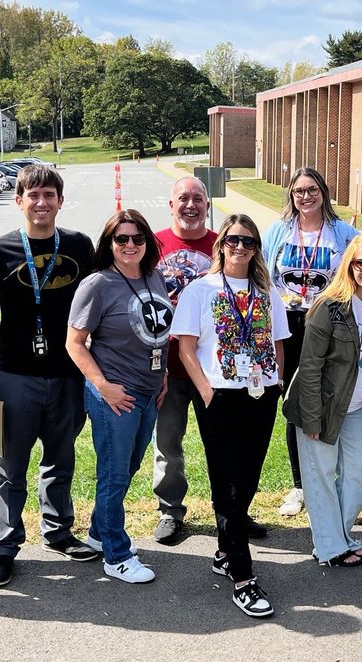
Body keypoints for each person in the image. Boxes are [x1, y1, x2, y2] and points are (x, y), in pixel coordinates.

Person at [0, 165, 98, 588]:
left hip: (68, 375)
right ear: (18, 200)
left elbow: (101, 303)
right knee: (9, 465)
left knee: (61, 459)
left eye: (49, 194)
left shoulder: (80, 246)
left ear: (60, 201)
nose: (41, 202)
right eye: (33, 195)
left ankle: (58, 533)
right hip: (15, 376)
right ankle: (5, 546)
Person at [172, 214, 290, 618]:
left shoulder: (268, 292)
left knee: (250, 476)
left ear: (257, 247)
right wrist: (206, 390)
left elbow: (278, 342)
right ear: (221, 243)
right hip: (220, 396)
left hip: (260, 394)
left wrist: (275, 381)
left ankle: (225, 550)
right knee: (229, 483)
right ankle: (243, 576)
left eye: (249, 241)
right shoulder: (199, 290)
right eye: (234, 240)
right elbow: (186, 348)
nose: (241, 247)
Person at [66, 210, 171, 585]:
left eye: (137, 238)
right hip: (115, 394)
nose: (130, 245)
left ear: (148, 243)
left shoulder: (153, 277)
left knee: (126, 469)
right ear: (109, 243)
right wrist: (103, 386)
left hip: (148, 392)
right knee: (113, 474)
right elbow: (74, 344)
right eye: (121, 239)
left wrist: (165, 374)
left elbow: (159, 333)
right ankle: (117, 554)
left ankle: (98, 534)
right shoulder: (98, 284)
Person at [282, 235, 362, 567]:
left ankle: (340, 536)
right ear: (348, 265)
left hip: (357, 408)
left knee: (358, 475)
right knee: (321, 476)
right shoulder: (328, 306)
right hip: (322, 406)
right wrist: (313, 418)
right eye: (361, 263)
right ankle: (331, 546)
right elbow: (310, 366)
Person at [262, 168, 359, 518]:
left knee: (335, 397)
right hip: (288, 326)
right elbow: (262, 274)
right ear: (291, 195)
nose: (306, 196)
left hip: (331, 324)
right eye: (299, 190)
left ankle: (338, 479)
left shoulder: (344, 233)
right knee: (297, 403)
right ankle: (301, 484)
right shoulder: (277, 232)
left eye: (312, 189)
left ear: (324, 192)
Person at [150, 176, 224, 545]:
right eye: (183, 198)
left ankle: (229, 510)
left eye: (198, 198)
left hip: (212, 366)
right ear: (171, 204)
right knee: (167, 441)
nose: (190, 205)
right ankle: (170, 510)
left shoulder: (223, 246)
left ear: (207, 206)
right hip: (166, 365)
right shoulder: (153, 245)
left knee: (223, 443)